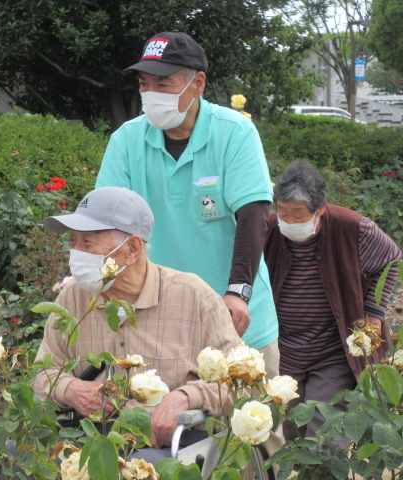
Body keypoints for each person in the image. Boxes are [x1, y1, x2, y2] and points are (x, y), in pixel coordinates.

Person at [95, 31, 279, 380]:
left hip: (236, 317)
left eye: (163, 84)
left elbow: (254, 217)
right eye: (144, 84)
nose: (151, 95)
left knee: (252, 426)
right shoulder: (126, 141)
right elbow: (107, 222)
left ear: (197, 84)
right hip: (159, 322)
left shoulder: (234, 133)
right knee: (161, 427)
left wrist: (238, 292)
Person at [34, 186, 244, 461]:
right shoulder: (73, 297)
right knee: (19, 456)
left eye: (87, 243)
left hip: (163, 446)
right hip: (87, 438)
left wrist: (185, 396)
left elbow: (240, 380)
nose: (75, 253)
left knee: (141, 467)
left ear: (132, 248)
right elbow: (42, 372)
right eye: (72, 241)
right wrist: (70, 389)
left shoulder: (193, 296)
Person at [263, 161, 402, 442]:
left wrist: (374, 313)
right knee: (285, 429)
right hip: (284, 348)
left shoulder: (353, 228)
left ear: (320, 210)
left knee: (324, 433)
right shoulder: (267, 229)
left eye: (298, 215)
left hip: (333, 351)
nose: (288, 221)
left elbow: (391, 259)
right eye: (283, 213)